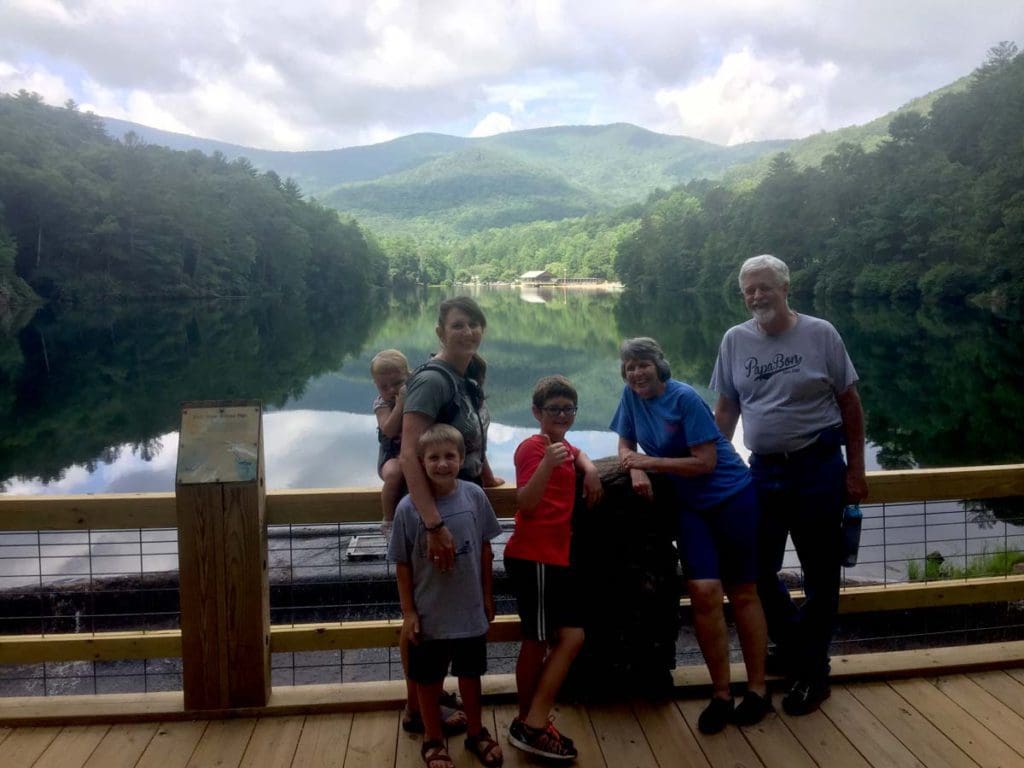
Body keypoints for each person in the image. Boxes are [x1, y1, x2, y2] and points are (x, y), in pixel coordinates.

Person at [711, 254, 867, 716]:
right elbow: (726, 410)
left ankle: (813, 673)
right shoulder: (734, 340)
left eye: (765, 287)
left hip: (818, 467)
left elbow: (850, 406)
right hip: (761, 472)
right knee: (756, 570)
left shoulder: (821, 334)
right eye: (749, 289)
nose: (756, 296)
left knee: (821, 573)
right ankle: (798, 643)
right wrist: (714, 467)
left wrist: (855, 471)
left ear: (785, 288)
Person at [609, 337, 771, 734]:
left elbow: (706, 461)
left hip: (731, 498)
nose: (636, 372)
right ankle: (720, 694)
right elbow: (625, 440)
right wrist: (633, 467)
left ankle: (757, 689)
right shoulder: (631, 398)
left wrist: (649, 461)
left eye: (643, 364)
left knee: (745, 591)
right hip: (691, 509)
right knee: (703, 595)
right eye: (629, 366)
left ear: (659, 365)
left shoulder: (684, 399)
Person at [398, 296, 505, 740]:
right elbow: (409, 452)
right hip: (433, 512)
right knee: (423, 615)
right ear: (441, 332)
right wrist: (433, 525)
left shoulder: (465, 377)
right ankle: (415, 708)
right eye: (458, 325)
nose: (468, 332)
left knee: (441, 610)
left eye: (474, 324)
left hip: (459, 500)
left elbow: (470, 440)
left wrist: (489, 477)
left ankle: (429, 701)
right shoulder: (433, 381)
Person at [388, 424, 504, 768]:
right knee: (428, 679)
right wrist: (408, 612)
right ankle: (433, 738)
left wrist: (487, 596)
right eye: (433, 458)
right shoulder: (409, 509)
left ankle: (476, 732)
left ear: (462, 458)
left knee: (471, 673)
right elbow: (402, 565)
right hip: (429, 612)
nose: (442, 464)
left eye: (449, 456)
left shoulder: (474, 495)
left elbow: (485, 549)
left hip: (469, 609)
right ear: (420, 463)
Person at [505, 376, 602, 761]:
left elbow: (574, 451)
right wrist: (547, 462)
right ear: (536, 413)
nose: (562, 414)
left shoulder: (560, 445)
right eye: (553, 409)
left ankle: (532, 719)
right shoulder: (533, 447)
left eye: (568, 409)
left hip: (555, 557)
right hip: (536, 557)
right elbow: (525, 503)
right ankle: (530, 724)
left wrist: (590, 467)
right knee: (539, 640)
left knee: (571, 635)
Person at [371, 348, 409, 540]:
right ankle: (388, 520)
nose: (391, 390)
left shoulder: (418, 394)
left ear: (408, 376)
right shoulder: (382, 404)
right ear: (376, 386)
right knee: (395, 473)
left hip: (411, 452)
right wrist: (401, 405)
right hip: (390, 456)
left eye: (397, 383)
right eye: (383, 387)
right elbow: (389, 429)